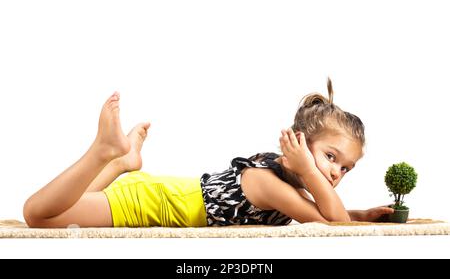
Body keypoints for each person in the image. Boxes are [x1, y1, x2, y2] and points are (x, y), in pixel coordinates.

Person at [23, 78, 394, 228]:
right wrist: (343, 210)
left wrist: (361, 213)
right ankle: (103, 152)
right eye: (330, 157)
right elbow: (332, 225)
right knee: (38, 215)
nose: (335, 173)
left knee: (71, 202)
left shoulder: (286, 183)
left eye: (346, 168)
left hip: (160, 194)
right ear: (297, 142)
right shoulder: (269, 182)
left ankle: (123, 163)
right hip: (149, 203)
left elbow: (325, 211)